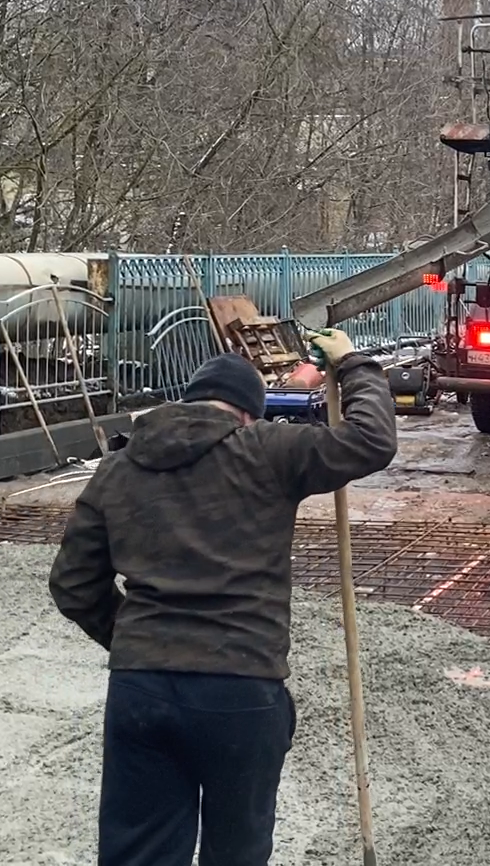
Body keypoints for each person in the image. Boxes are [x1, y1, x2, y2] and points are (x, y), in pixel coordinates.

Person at [48, 336, 398, 866]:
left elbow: (73, 584)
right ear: (247, 412)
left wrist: (136, 639)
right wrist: (353, 365)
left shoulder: (118, 468)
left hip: (142, 689)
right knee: (236, 853)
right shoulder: (268, 450)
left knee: (138, 853)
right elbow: (372, 440)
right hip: (241, 691)